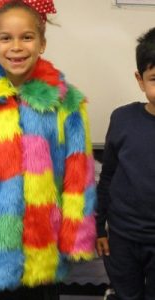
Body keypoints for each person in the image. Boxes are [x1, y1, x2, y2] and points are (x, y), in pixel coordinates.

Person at [0, 0, 96, 299]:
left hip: (44, 248)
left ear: (42, 42)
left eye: (26, 37)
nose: (16, 47)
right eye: (6, 38)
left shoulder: (67, 103)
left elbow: (80, 176)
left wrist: (75, 236)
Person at [96, 27, 155, 300]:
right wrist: (98, 228)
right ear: (140, 81)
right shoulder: (122, 119)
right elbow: (107, 177)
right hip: (122, 237)